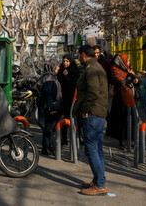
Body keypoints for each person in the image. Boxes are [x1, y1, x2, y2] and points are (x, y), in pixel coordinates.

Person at [74, 44, 108, 196]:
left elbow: (93, 93)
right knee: (97, 149)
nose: (78, 58)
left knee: (92, 149)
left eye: (79, 55)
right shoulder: (94, 66)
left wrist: (85, 110)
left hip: (93, 114)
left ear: (83, 55)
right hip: (97, 113)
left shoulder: (92, 69)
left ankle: (100, 184)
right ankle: (98, 180)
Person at [106, 53, 138, 149]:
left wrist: (133, 77)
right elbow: (123, 81)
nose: (128, 62)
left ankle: (131, 139)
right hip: (120, 99)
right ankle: (122, 141)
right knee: (122, 121)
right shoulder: (116, 71)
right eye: (127, 60)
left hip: (130, 99)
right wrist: (130, 77)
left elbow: (135, 81)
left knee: (131, 119)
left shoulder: (126, 70)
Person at [37, 59, 63, 155]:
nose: (59, 68)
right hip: (49, 108)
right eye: (57, 66)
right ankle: (46, 148)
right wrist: (52, 109)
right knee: (49, 129)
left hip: (49, 107)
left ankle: (48, 147)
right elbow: (48, 95)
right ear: (52, 67)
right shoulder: (49, 80)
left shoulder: (50, 77)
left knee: (49, 129)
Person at [57, 54, 80, 143]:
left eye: (67, 61)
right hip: (63, 97)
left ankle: (76, 138)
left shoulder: (74, 70)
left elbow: (75, 82)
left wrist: (67, 77)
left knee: (73, 118)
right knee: (64, 117)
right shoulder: (61, 69)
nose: (65, 63)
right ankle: (64, 137)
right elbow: (59, 80)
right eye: (64, 61)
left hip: (72, 97)